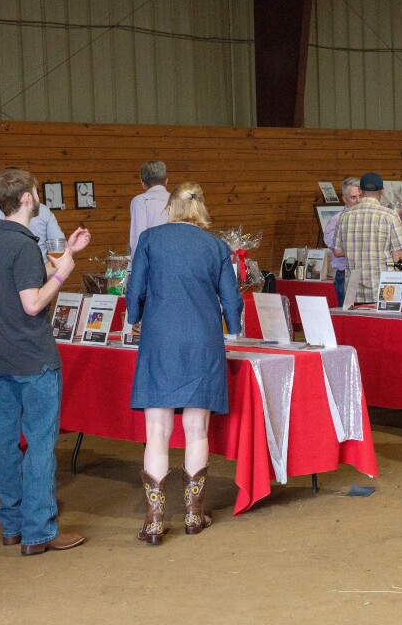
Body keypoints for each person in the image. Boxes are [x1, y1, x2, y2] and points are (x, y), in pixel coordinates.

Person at [125, 182, 244, 544]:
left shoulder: (149, 239)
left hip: (159, 340)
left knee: (156, 433)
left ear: (171, 208)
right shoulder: (217, 246)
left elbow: (136, 290)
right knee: (197, 430)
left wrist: (134, 316)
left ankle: (155, 521)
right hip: (202, 341)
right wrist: (235, 329)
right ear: (200, 208)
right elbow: (231, 300)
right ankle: (194, 514)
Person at [0, 167, 90, 555]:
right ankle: (40, 532)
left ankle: (12, 526)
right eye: (38, 191)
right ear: (27, 197)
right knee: (41, 446)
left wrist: (66, 254)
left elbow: (24, 278)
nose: (40, 195)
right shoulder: (25, 244)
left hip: (1, 361)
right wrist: (62, 274)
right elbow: (32, 302)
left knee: (6, 444)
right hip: (34, 360)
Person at [332, 172, 402, 304]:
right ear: (383, 191)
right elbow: (398, 257)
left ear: (361, 191)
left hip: (353, 292)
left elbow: (337, 251)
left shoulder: (344, 216)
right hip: (383, 291)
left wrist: (359, 247)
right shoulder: (390, 216)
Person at [322, 176, 362, 305]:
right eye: (353, 197)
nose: (358, 201)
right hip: (345, 275)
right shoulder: (336, 220)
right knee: (348, 318)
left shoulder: (368, 218)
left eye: (360, 196)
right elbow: (337, 251)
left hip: (366, 273)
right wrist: (365, 247)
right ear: (344, 199)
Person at [129, 160, 169, 255]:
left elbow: (138, 238)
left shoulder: (140, 201)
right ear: (166, 181)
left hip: (153, 260)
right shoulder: (178, 199)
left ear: (143, 184)